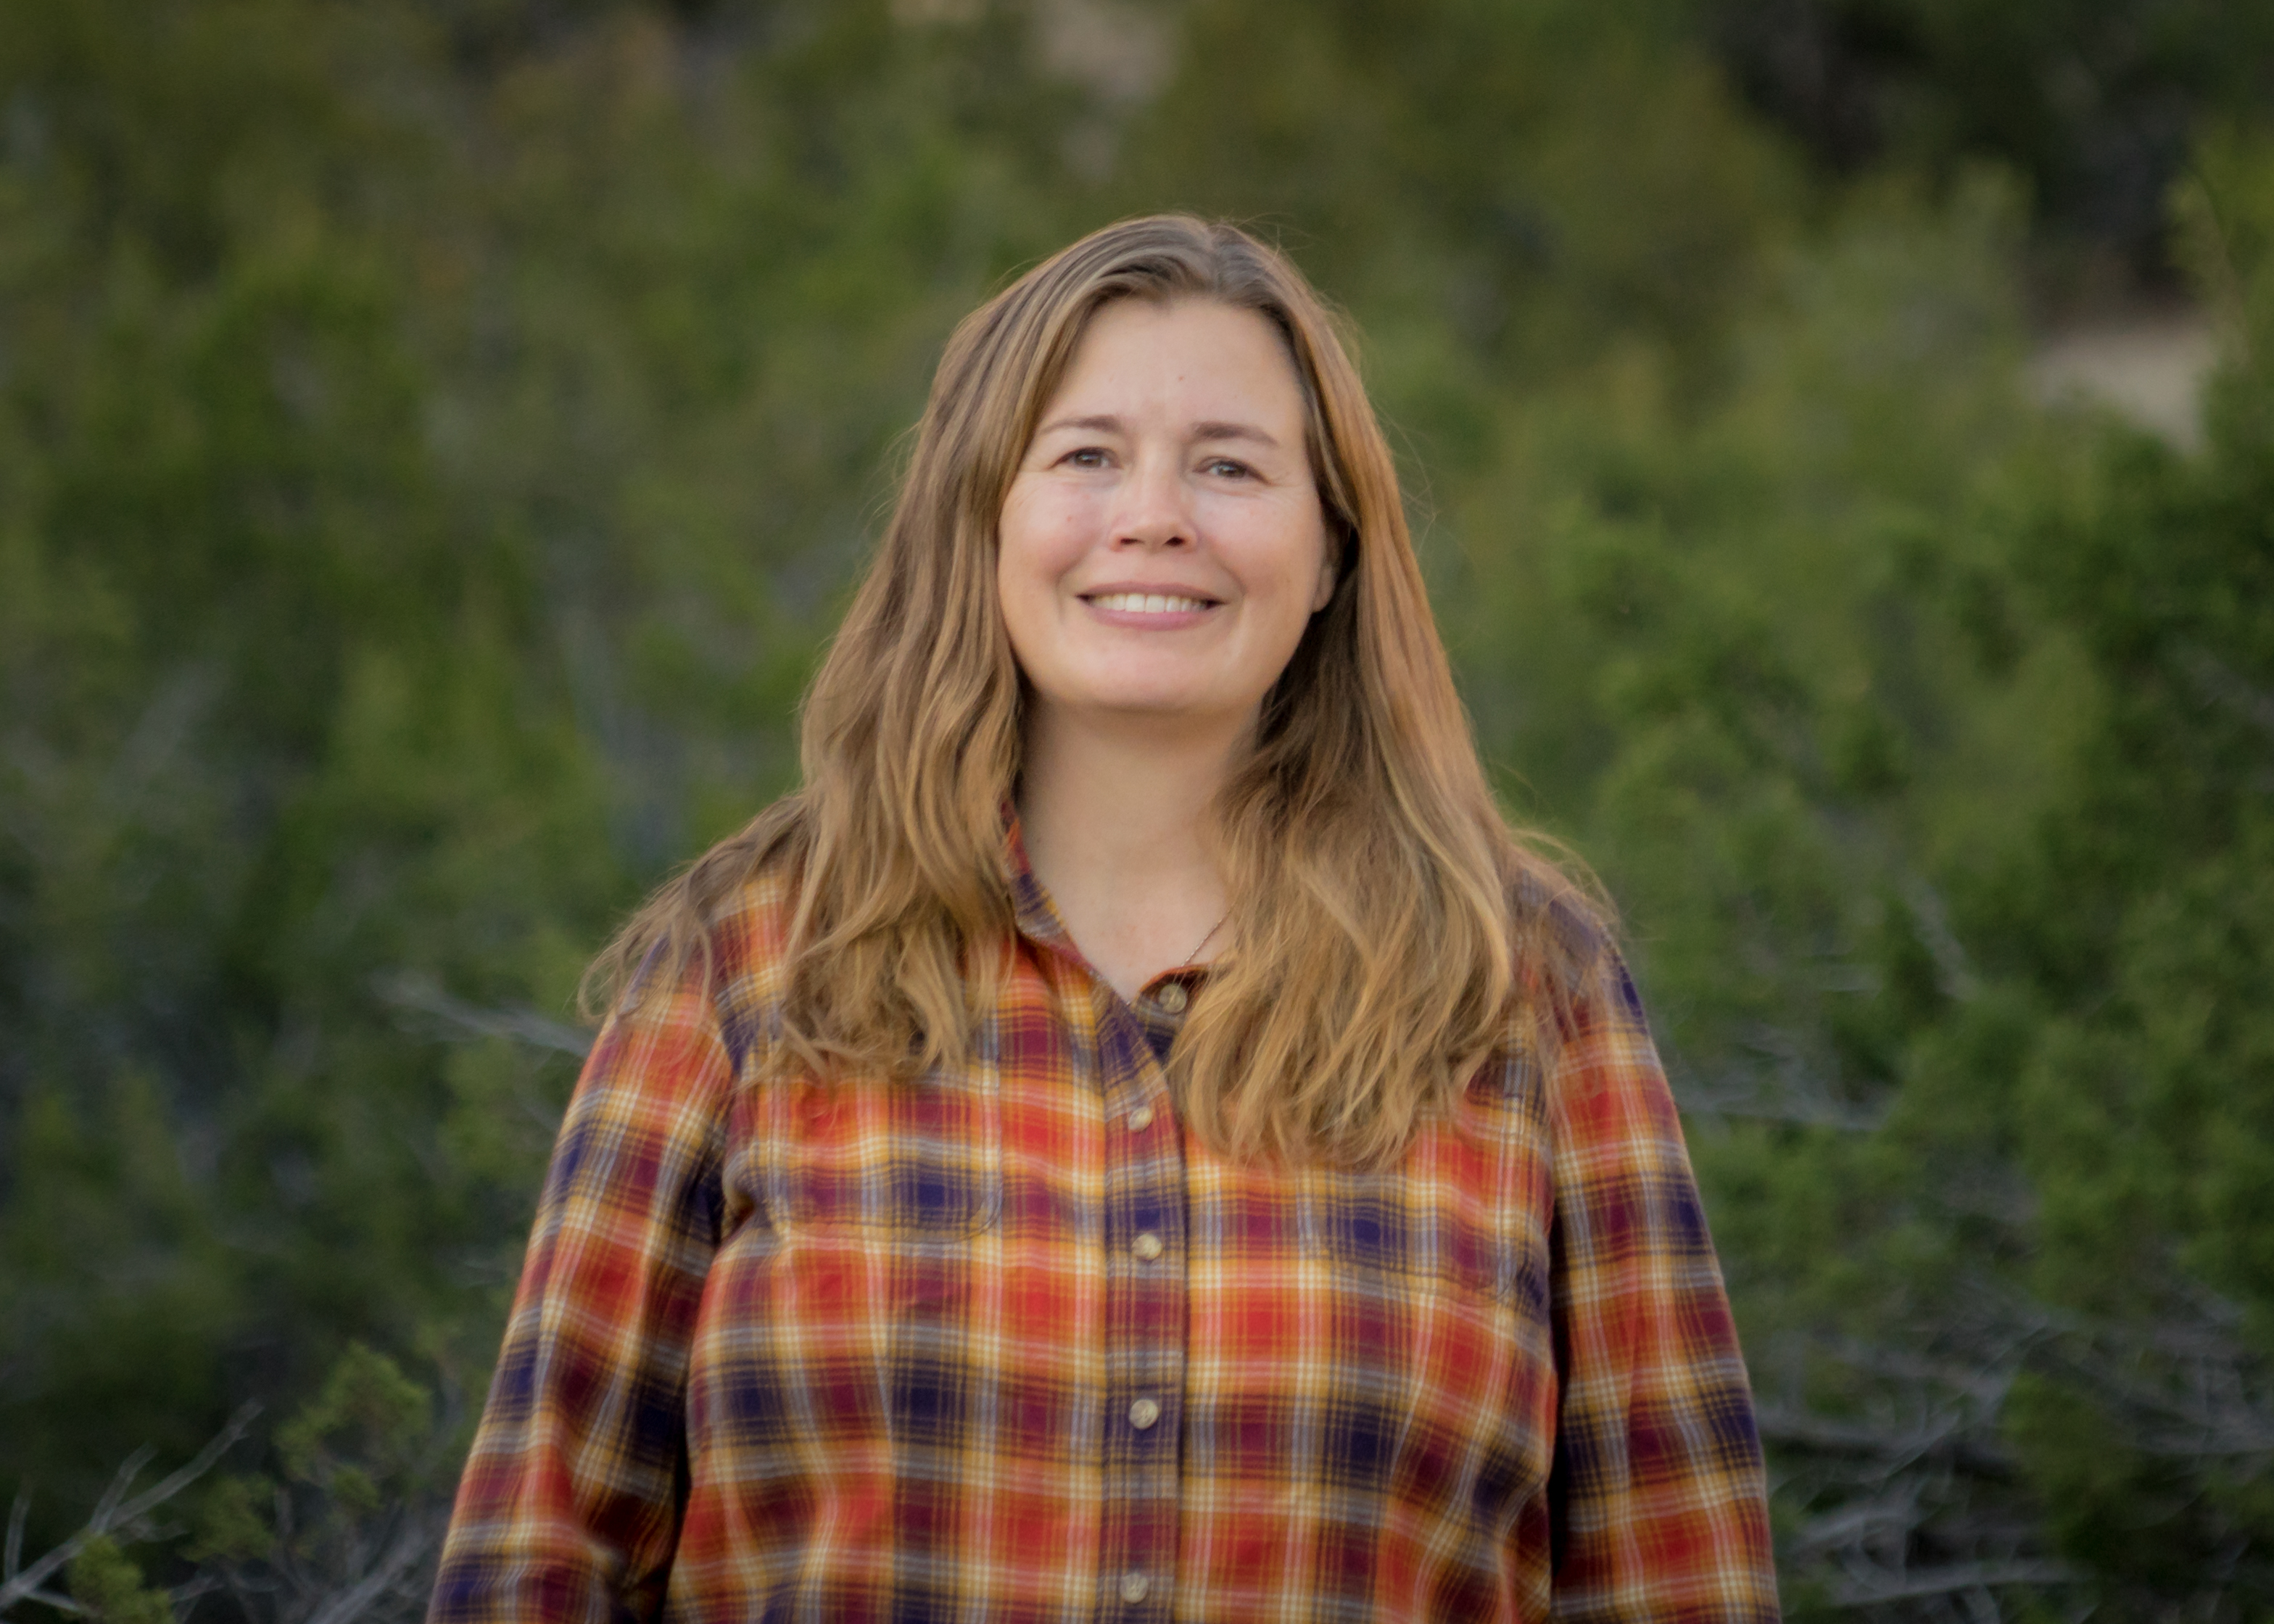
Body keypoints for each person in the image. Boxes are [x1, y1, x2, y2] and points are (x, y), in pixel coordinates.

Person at [429, 215, 1779, 1623]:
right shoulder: (748, 966)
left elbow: (1679, 1574)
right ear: (981, 523)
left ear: (1330, 551)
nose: (1153, 516)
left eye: (1229, 465)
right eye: (1084, 456)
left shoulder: (1523, 993)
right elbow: (538, 1561)